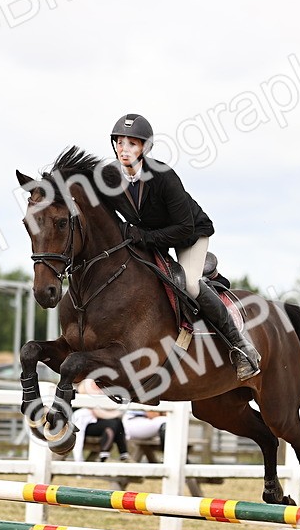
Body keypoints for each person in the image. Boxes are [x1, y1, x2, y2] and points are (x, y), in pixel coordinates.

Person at [100, 113, 260, 381]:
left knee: (190, 285)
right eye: (120, 142)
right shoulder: (108, 176)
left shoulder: (163, 176)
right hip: (151, 237)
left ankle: (240, 346)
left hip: (190, 235)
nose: (124, 148)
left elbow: (184, 228)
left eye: (132, 143)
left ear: (144, 148)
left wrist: (143, 237)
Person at [74, 379, 130, 462]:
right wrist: (116, 414)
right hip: (83, 426)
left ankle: (122, 454)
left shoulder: (105, 387)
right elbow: (97, 412)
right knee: (112, 424)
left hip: (97, 421)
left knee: (116, 423)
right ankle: (106, 455)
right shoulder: (86, 386)